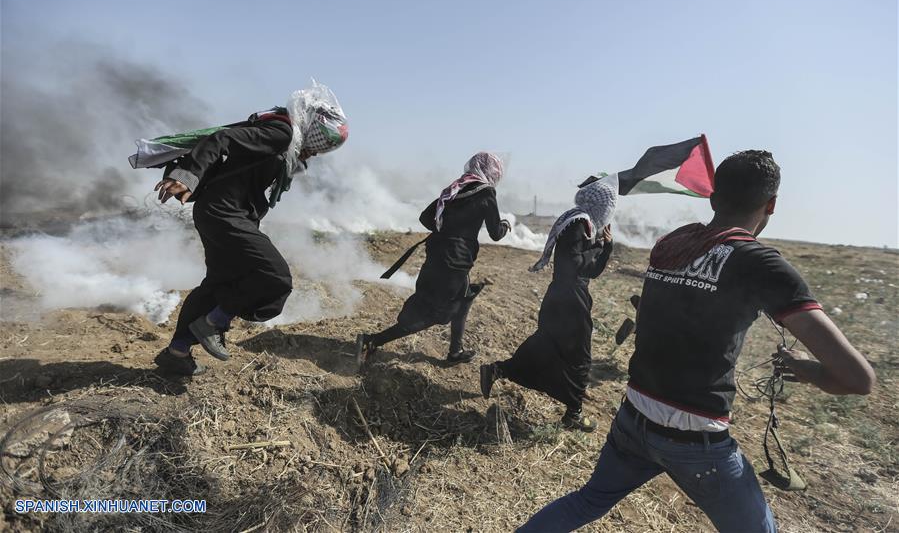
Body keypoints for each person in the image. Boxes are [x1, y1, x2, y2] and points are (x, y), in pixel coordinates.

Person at [517, 150, 876, 532]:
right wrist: (806, 370)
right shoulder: (762, 264)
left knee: (587, 501)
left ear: (712, 197)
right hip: (695, 440)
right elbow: (858, 379)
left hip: (634, 419)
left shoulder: (675, 242)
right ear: (771, 204)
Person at [153, 87, 348, 376]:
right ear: (312, 129)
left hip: (224, 214)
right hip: (224, 214)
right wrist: (188, 175)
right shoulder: (281, 133)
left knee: (219, 283)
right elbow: (222, 139)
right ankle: (214, 322)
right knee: (276, 278)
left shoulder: (281, 135)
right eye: (320, 144)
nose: (317, 152)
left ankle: (177, 352)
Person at [479, 176, 618, 432]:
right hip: (570, 301)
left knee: (544, 347)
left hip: (563, 297)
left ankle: (497, 370)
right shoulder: (580, 224)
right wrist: (601, 248)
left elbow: (584, 266)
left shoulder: (580, 222)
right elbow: (577, 266)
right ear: (602, 207)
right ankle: (573, 414)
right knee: (579, 358)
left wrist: (601, 246)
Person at [356, 152, 510, 367]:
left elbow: (426, 217)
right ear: (492, 171)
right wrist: (504, 225)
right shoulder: (486, 193)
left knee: (463, 299)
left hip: (438, 254)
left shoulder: (456, 188)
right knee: (437, 313)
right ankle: (371, 340)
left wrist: (444, 231)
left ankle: (455, 351)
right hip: (455, 262)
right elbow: (495, 233)